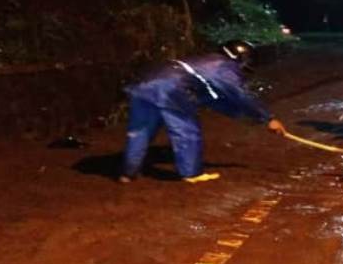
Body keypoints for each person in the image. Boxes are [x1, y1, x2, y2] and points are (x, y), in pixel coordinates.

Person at [118, 40, 286, 184]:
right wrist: (268, 118)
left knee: (140, 132)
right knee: (186, 129)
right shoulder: (224, 67)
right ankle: (191, 174)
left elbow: (212, 99)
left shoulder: (205, 63)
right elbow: (239, 95)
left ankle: (128, 173)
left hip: (144, 84)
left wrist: (247, 117)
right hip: (171, 87)